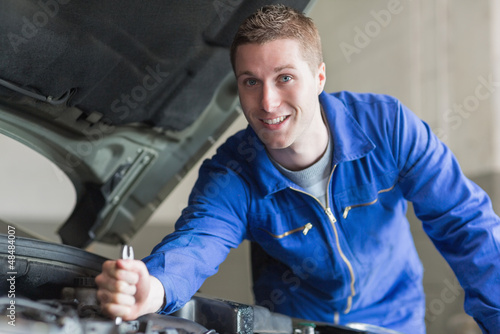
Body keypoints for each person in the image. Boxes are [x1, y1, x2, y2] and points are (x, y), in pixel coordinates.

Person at [95, 5, 500, 333]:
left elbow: (466, 224)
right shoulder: (233, 174)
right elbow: (197, 243)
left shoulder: (389, 128)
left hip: (395, 322)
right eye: (250, 82)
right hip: (301, 327)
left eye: (284, 77)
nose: (267, 103)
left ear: (319, 76)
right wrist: (155, 286)